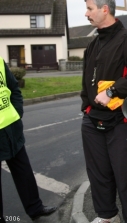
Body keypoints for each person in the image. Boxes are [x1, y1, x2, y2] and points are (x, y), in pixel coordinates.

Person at [81, 0, 127, 223]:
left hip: (121, 122)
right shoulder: (93, 45)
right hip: (92, 121)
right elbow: (87, 81)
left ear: (105, 9)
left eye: (90, 8)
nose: (86, 14)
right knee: (99, 176)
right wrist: (87, 107)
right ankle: (107, 217)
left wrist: (112, 91)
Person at [0, 57, 57, 222]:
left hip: (11, 128)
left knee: (23, 170)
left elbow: (14, 89)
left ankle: (35, 208)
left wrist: (17, 114)